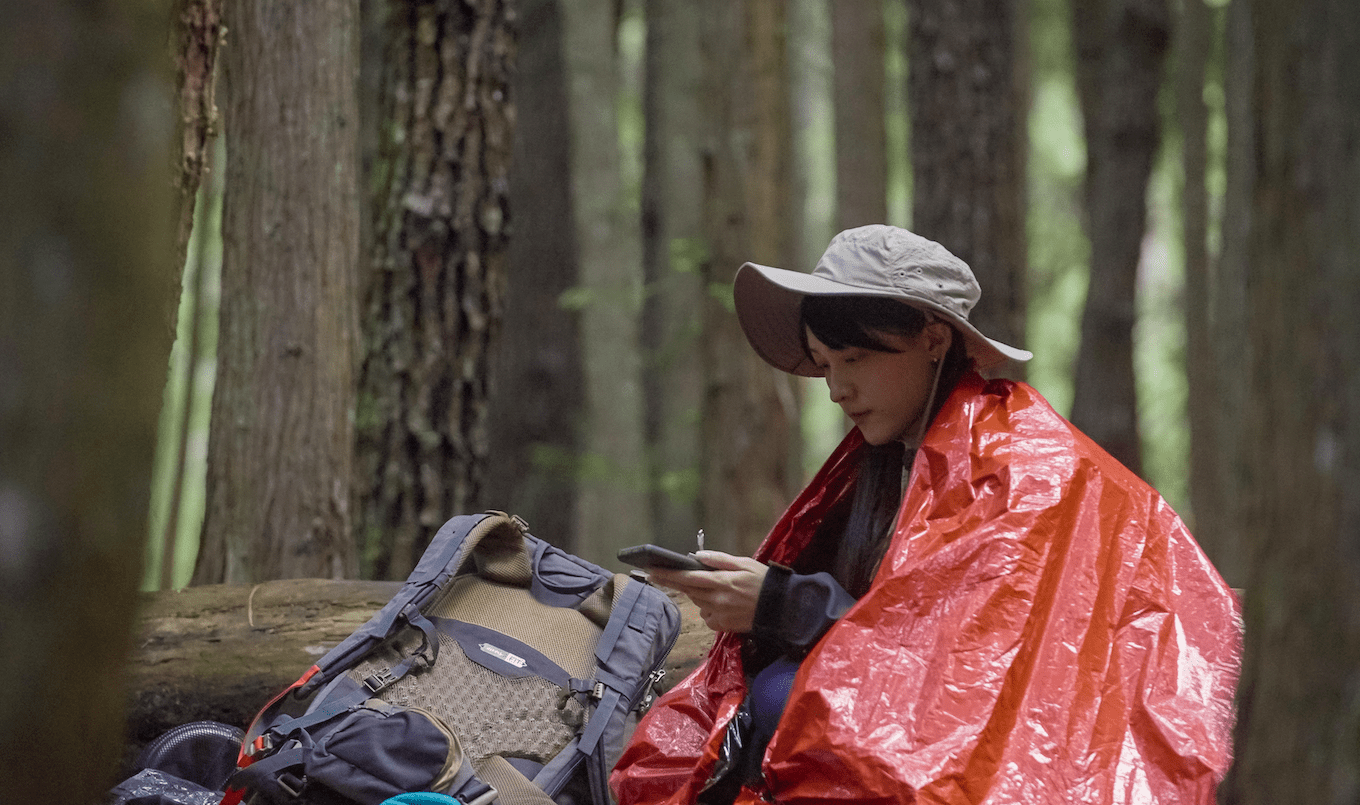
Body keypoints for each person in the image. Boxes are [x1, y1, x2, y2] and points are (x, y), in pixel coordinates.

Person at [610, 225, 1241, 805]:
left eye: (855, 360)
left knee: (791, 705)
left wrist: (783, 603)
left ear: (933, 339)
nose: (836, 389)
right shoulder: (887, 463)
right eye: (826, 366)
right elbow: (901, 618)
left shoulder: (1019, 466)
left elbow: (972, 668)